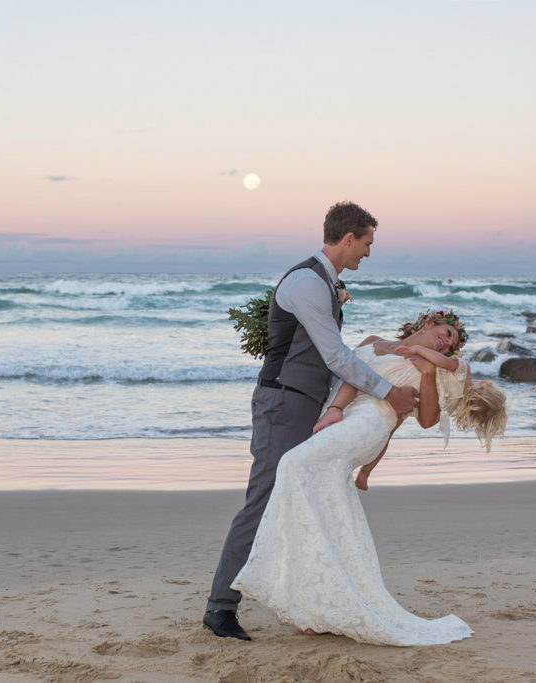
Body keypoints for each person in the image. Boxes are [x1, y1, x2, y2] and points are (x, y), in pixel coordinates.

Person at [203, 201, 419, 641]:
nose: (368, 253)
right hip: (283, 405)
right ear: (347, 239)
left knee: (309, 499)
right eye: (366, 243)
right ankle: (220, 608)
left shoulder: (325, 283)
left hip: (308, 406)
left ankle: (310, 603)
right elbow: (336, 355)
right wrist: (388, 391)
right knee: (263, 499)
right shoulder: (305, 281)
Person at [231, 311, 507, 646]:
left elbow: (425, 419)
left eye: (453, 342)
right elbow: (347, 373)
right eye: (447, 332)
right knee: (327, 498)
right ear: (428, 323)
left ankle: (291, 586)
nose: (449, 342)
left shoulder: (434, 368)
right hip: (338, 413)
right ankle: (318, 606)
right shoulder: (373, 342)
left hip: (370, 421)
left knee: (293, 465)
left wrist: (429, 369)